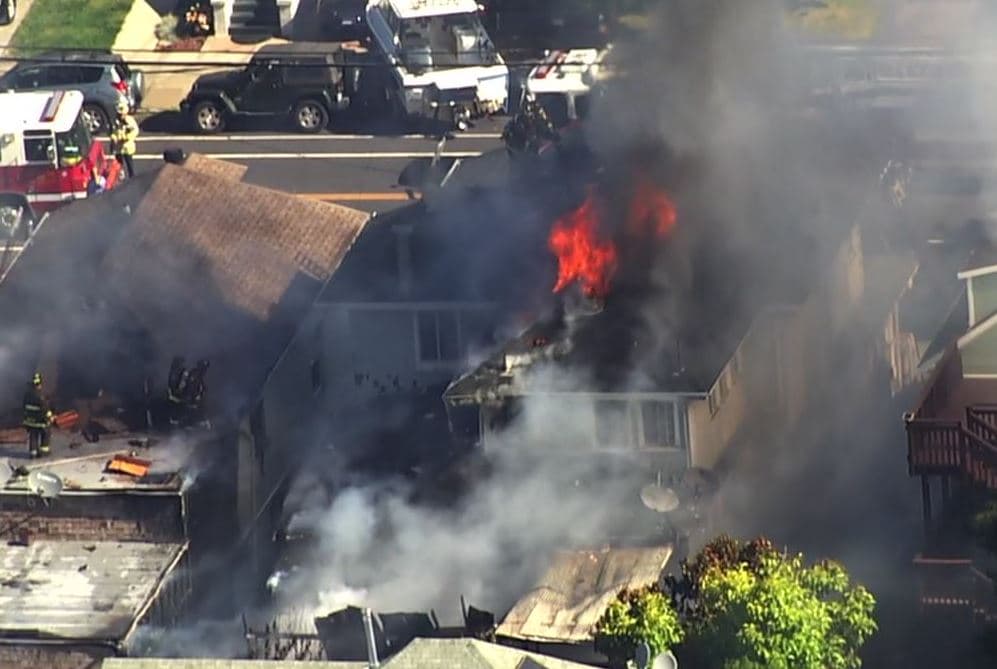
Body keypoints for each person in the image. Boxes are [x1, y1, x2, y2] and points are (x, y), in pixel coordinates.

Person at [22, 372, 54, 459]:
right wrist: (50, 417)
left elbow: (24, 407)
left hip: (30, 421)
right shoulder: (40, 395)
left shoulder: (27, 394)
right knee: (46, 433)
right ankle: (44, 451)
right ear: (39, 384)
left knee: (33, 436)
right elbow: (45, 408)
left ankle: (33, 452)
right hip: (40, 421)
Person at [110, 98, 139, 179]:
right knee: (119, 166)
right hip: (118, 148)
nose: (120, 116)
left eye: (121, 114)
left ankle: (132, 178)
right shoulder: (117, 122)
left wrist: (126, 137)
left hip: (127, 147)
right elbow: (114, 132)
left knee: (129, 165)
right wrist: (114, 138)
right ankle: (121, 177)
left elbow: (135, 131)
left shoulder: (129, 121)